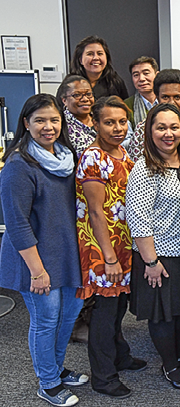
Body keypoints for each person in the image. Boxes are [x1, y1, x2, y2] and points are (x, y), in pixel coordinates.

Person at [0, 94, 86, 407]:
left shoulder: (67, 157)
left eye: (53, 120)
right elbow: (17, 223)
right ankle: (48, 382)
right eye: (39, 120)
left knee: (67, 317)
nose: (47, 127)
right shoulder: (19, 164)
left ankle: (57, 369)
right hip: (35, 260)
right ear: (26, 123)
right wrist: (37, 271)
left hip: (66, 255)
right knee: (46, 320)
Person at [125, 103, 180, 390]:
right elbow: (138, 218)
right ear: (149, 131)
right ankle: (170, 364)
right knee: (162, 316)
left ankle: (179, 357)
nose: (168, 133)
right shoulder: (145, 168)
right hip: (158, 256)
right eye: (161, 127)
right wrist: (151, 262)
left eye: (174, 127)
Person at [76, 96, 146, 399]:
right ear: (96, 122)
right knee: (104, 312)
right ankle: (103, 377)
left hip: (123, 243)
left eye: (121, 121)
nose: (117, 128)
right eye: (109, 122)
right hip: (102, 247)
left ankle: (120, 355)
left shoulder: (121, 152)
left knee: (117, 307)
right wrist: (108, 257)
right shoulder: (93, 157)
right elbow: (95, 211)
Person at [126, 69, 180, 161]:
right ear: (157, 98)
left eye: (177, 97)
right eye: (165, 97)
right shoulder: (143, 129)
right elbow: (135, 164)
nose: (171, 102)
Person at [70, 35, 128, 100]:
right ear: (80, 60)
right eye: (90, 54)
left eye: (100, 53)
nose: (96, 58)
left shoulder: (115, 81)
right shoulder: (70, 83)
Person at [56, 75, 96, 157]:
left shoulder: (101, 118)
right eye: (77, 95)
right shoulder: (61, 126)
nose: (85, 99)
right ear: (64, 100)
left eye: (88, 94)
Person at [124, 56, 159, 126]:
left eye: (146, 73)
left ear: (157, 75)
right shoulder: (126, 106)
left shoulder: (167, 101)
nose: (141, 79)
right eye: (136, 75)